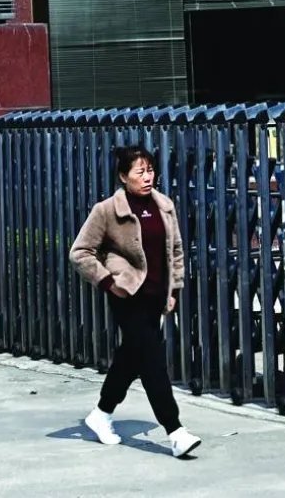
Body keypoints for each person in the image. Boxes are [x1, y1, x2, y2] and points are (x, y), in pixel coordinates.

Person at [70, 146, 201, 458]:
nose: (147, 177)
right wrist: (107, 282)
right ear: (122, 176)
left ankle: (101, 414)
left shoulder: (164, 205)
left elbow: (177, 251)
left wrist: (174, 289)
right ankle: (175, 431)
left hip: (157, 296)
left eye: (150, 170)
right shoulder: (107, 210)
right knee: (153, 362)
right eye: (140, 171)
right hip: (128, 296)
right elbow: (80, 252)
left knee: (132, 357)